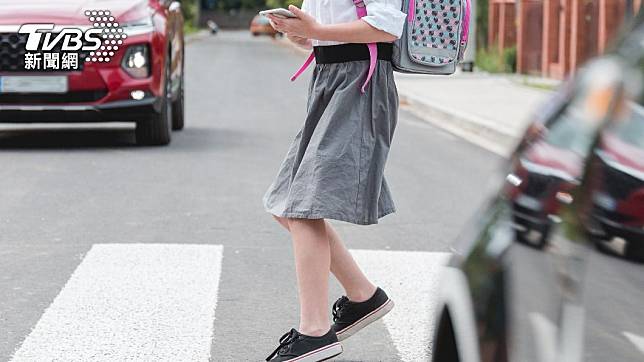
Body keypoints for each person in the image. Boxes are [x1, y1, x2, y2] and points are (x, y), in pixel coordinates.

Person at [263, 1, 406, 360]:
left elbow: (387, 28)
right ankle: (363, 296)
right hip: (329, 81)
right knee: (285, 203)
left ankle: (315, 332)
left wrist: (317, 32)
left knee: (303, 208)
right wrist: (300, 33)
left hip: (360, 85)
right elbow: (327, 35)